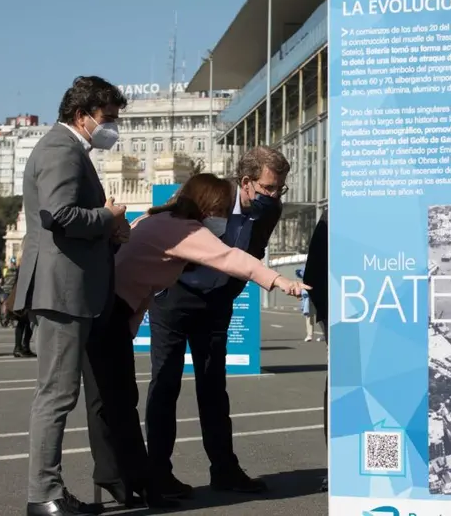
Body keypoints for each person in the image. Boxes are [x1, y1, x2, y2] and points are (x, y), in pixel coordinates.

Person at [86, 172, 307, 508]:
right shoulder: (184, 228)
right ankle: (139, 481)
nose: (220, 219)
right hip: (111, 310)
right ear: (206, 208)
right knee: (121, 400)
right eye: (218, 210)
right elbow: (233, 259)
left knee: (112, 400)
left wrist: (126, 329)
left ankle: (128, 478)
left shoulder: (159, 217)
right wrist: (279, 280)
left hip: (110, 310)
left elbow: (143, 283)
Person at [14, 75, 130, 516]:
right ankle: (44, 494)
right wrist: (108, 214)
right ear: (82, 116)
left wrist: (109, 231)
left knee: (59, 393)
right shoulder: (61, 149)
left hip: (70, 285)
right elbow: (59, 214)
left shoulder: (67, 149)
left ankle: (48, 491)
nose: (113, 128)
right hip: (62, 288)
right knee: (57, 395)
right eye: (108, 119)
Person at [146, 146, 290, 497]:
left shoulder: (270, 211)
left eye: (280, 189)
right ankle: (158, 475)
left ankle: (224, 469)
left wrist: (227, 294)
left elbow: (252, 254)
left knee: (213, 389)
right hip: (174, 297)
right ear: (245, 181)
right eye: (268, 188)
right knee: (166, 385)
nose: (273, 196)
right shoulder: (206, 193)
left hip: (216, 304)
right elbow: (166, 225)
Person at [303, 208, 328, 491]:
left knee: (339, 386)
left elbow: (313, 271)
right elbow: (314, 273)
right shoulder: (331, 216)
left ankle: (339, 467)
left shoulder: (332, 213)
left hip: (340, 313)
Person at [1, 246, 35, 358]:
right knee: (23, 322)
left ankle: (23, 346)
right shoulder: (26, 262)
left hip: (22, 294)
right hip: (24, 294)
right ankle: (20, 347)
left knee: (25, 322)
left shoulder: (23, 261)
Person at [295, 268, 316, 342]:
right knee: (309, 316)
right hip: (308, 296)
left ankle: (325, 334)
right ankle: (309, 335)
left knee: (321, 317)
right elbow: (298, 273)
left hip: (319, 295)